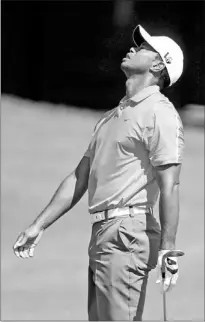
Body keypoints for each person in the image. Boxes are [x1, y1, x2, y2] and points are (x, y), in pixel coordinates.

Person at [13, 25, 185, 321]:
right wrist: (39, 225)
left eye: (144, 47)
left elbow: (170, 185)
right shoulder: (112, 116)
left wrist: (168, 249)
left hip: (129, 233)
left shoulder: (160, 113)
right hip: (104, 234)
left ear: (158, 65)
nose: (133, 47)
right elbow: (80, 176)